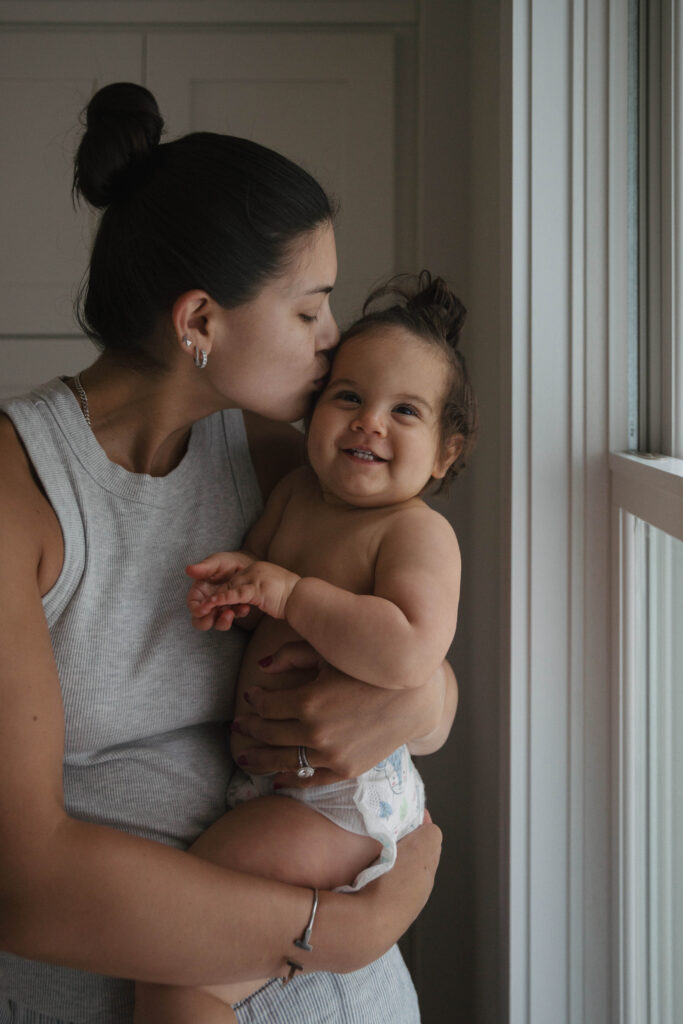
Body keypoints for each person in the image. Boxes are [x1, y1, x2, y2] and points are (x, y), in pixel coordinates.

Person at [0, 83, 455, 1023]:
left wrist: (412, 697)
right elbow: (24, 882)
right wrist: (337, 927)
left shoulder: (286, 464)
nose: (335, 351)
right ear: (199, 321)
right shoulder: (22, 495)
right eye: (309, 312)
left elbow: (428, 690)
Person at [134, 271, 478, 1022]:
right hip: (281, 788)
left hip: (342, 800)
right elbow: (258, 588)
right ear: (315, 408)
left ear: (446, 453)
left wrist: (289, 595)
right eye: (348, 397)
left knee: (177, 959)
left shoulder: (414, 531)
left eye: (405, 411)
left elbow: (410, 650)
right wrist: (234, 600)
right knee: (201, 950)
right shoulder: (292, 493)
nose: (369, 423)